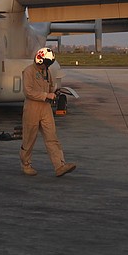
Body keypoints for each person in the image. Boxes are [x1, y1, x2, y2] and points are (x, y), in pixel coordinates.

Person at [19, 47, 76, 177]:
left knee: (52, 137)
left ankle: (60, 165)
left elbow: (50, 86)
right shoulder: (28, 71)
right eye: (46, 63)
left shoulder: (47, 71)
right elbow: (28, 92)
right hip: (32, 108)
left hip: (45, 108)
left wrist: (53, 93)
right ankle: (26, 164)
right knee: (29, 139)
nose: (47, 66)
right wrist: (46, 95)